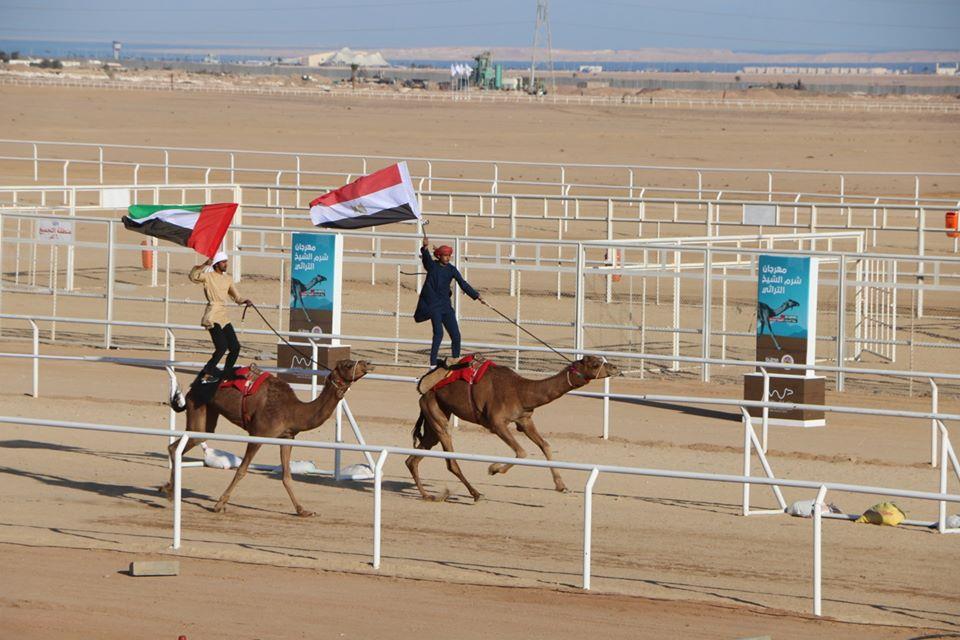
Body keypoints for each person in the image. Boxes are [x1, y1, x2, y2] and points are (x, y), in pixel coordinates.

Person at [414, 237, 483, 366]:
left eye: (449, 255)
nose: (447, 258)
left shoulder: (451, 269)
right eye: (445, 255)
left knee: (456, 335)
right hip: (434, 306)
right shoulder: (432, 266)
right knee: (438, 334)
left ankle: (455, 359)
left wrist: (476, 295)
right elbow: (426, 259)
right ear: (439, 256)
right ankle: (433, 364)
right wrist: (425, 248)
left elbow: (463, 283)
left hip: (446, 306)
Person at [189, 251, 252, 382]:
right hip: (212, 315)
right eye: (223, 262)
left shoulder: (228, 279)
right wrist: (203, 265)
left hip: (223, 316)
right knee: (222, 347)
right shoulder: (208, 276)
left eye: (226, 262)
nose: (226, 264)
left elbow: (236, 296)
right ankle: (207, 373)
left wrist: (245, 300)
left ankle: (226, 374)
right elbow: (193, 276)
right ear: (217, 264)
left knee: (235, 347)